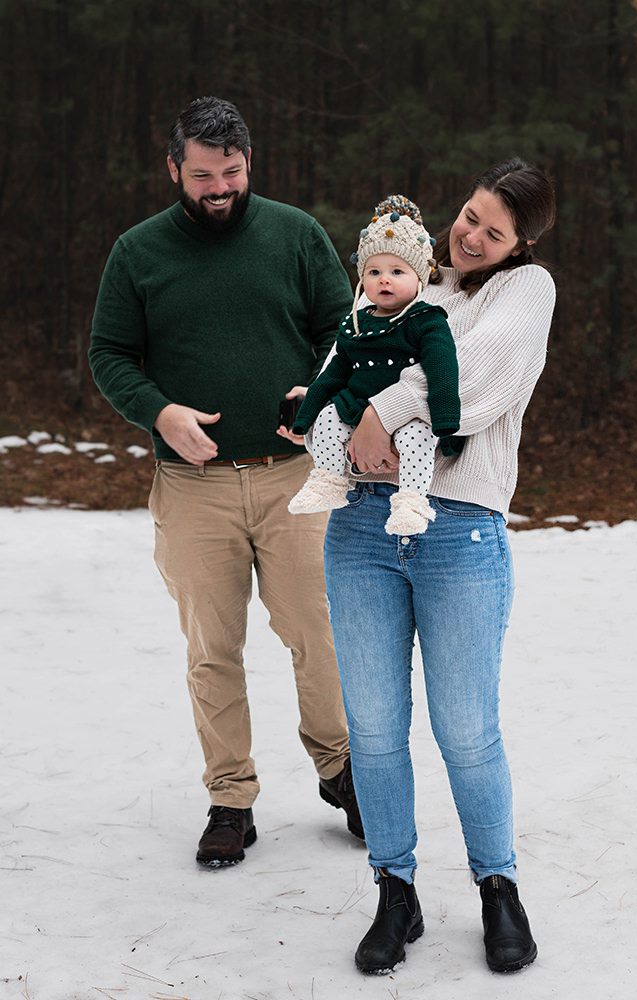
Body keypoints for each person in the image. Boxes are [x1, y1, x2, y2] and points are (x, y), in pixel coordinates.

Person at [278, 157, 556, 974]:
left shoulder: (523, 293)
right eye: (468, 214)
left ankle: (496, 886)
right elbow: (345, 363)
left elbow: (468, 383)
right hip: (361, 526)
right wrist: (314, 409)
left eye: (492, 230)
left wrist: (377, 406)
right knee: (371, 729)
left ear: (522, 242)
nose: (469, 235)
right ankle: (393, 890)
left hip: (458, 530)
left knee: (465, 730)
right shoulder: (404, 284)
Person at [88, 96, 364, 869]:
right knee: (213, 648)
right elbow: (109, 352)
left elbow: (340, 329)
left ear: (250, 164)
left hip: (296, 478)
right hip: (193, 487)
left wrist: (319, 396)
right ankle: (230, 797)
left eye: (231, 173)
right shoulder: (138, 252)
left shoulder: (295, 233)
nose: (218, 188)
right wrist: (157, 410)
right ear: (173, 168)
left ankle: (341, 773)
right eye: (202, 174)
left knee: (318, 634)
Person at [287, 195, 461, 536]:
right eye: (374, 271)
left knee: (416, 438)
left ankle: (411, 502)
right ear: (362, 277)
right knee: (327, 420)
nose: (385, 280)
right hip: (356, 404)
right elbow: (333, 374)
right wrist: (304, 419)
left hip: (407, 413)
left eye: (397, 272)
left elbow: (443, 373)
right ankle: (329, 480)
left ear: (420, 277)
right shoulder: (354, 324)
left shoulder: (426, 320)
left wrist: (447, 426)